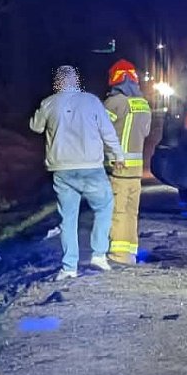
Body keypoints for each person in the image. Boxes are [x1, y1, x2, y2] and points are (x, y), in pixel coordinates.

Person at [30, 65, 125, 280]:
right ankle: (99, 254)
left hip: (62, 170)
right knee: (104, 206)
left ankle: (69, 267)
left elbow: (36, 127)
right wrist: (117, 155)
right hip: (91, 167)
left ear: (58, 83)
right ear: (76, 81)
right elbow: (107, 131)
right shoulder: (91, 101)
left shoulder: (49, 103)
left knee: (68, 218)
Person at [104, 59, 152, 264]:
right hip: (136, 170)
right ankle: (130, 252)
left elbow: (99, 129)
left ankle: (118, 254)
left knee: (118, 211)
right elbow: (147, 132)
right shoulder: (143, 104)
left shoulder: (114, 103)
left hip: (118, 169)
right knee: (132, 212)